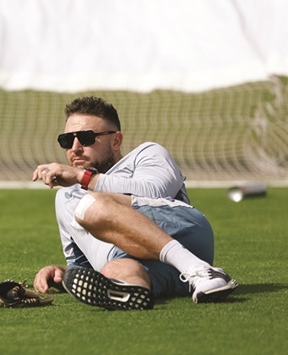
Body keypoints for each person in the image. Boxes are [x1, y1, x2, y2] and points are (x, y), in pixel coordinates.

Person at [31, 96, 238, 310]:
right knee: (115, 271)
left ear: (116, 141)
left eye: (86, 138)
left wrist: (83, 178)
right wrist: (63, 274)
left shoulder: (147, 154)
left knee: (91, 207)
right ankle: (136, 290)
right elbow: (82, 265)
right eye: (67, 140)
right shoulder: (64, 198)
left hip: (184, 235)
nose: (75, 148)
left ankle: (198, 268)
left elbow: (156, 193)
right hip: (146, 265)